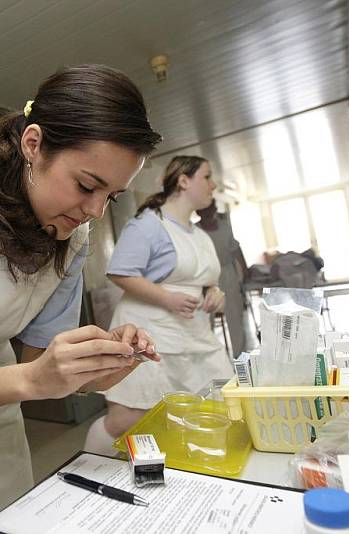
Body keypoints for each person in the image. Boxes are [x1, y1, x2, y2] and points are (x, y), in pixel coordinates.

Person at [0, 64, 162, 533]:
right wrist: (36, 379)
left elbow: (43, 365)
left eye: (112, 197)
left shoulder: (73, 237)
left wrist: (98, 367)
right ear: (33, 144)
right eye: (86, 185)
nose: (94, 211)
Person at [88, 156, 235, 450]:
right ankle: (88, 461)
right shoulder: (148, 225)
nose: (213, 184)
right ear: (183, 181)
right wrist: (167, 298)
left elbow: (207, 281)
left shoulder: (202, 237)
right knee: (129, 418)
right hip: (150, 332)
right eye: (207, 177)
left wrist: (215, 293)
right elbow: (119, 271)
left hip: (193, 335)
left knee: (216, 405)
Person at [197, 199, 249, 358]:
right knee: (206, 319)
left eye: (211, 209)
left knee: (235, 316)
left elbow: (236, 250)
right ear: (198, 212)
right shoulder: (196, 231)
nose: (208, 213)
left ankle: (241, 357)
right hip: (206, 276)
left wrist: (245, 271)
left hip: (227, 274)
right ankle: (209, 358)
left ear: (214, 209)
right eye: (204, 210)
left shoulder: (225, 228)